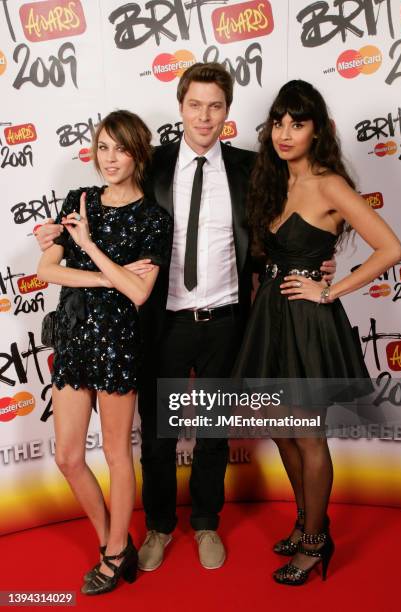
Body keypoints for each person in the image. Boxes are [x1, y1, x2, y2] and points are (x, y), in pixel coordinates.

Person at [36, 64, 335, 571]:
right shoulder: (151, 165)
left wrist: (320, 260)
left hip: (224, 320)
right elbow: (112, 213)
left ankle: (206, 524)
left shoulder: (252, 169)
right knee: (158, 436)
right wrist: (58, 237)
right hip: (162, 319)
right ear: (180, 107)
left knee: (214, 432)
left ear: (227, 111)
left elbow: (299, 215)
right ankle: (157, 526)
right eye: (195, 104)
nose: (204, 115)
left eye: (215, 105)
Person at [232, 80, 401, 585]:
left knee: (308, 436)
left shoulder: (329, 184)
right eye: (279, 123)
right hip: (271, 319)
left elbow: (390, 249)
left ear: (317, 131)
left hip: (308, 324)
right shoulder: (271, 180)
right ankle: (309, 521)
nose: (285, 133)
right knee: (281, 430)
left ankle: (314, 543)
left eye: (298, 123)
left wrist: (330, 291)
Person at [36, 110, 172, 595]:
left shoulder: (155, 219)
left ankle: (115, 555)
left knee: (116, 454)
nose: (109, 158)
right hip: (74, 338)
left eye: (121, 148)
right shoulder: (78, 199)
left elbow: (139, 295)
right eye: (103, 147)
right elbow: (47, 270)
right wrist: (112, 275)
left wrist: (89, 247)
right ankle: (110, 543)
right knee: (68, 456)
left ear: (138, 153)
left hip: (118, 343)